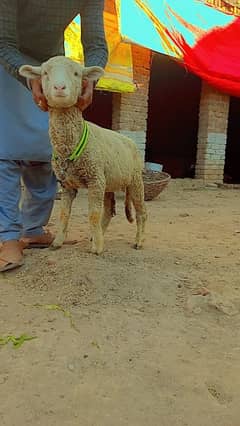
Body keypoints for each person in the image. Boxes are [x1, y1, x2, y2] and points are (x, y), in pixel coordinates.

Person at [0, 1, 108, 272]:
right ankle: (8, 237)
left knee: (47, 149)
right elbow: (4, 41)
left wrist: (88, 80)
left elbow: (95, 44)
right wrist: (29, 78)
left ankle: (33, 229)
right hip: (8, 60)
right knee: (6, 147)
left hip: (50, 64)